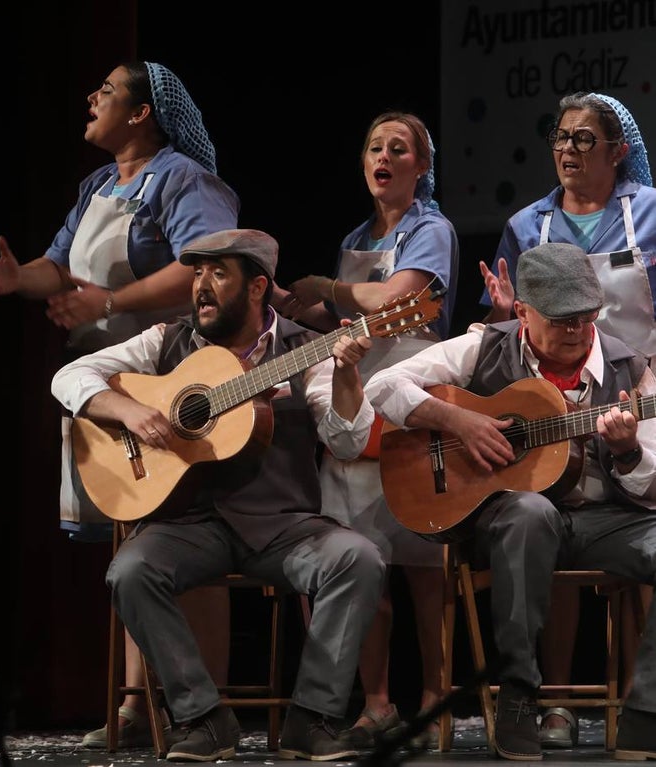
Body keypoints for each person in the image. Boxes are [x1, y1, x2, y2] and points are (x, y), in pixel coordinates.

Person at [0, 60, 240, 748]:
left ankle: (199, 704)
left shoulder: (182, 178)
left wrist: (111, 300)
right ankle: (133, 705)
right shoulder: (96, 186)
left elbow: (206, 263)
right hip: (107, 384)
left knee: (186, 547)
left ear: (143, 112)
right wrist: (20, 277)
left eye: (108, 91)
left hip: (175, 380)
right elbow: (59, 266)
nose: (91, 98)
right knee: (127, 544)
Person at [52, 228, 386, 762]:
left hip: (281, 525)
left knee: (359, 558)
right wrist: (129, 411)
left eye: (218, 273)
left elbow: (345, 439)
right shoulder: (167, 340)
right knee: (129, 572)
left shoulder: (306, 350)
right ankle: (203, 718)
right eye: (198, 273)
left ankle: (312, 717)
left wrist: (348, 375)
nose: (201, 286)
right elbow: (69, 375)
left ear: (257, 288)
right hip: (190, 523)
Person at [365, 241, 656, 761]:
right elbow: (382, 385)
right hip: (510, 521)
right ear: (522, 311)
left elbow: (650, 489)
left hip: (604, 520)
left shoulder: (633, 370)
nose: (576, 331)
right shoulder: (483, 346)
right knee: (529, 512)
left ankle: (647, 714)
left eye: (585, 318)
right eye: (561, 319)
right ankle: (519, 695)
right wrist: (458, 420)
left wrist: (628, 449)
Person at [478, 91, 656, 749]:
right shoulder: (528, 223)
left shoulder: (652, 212)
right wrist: (502, 312)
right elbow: (503, 327)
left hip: (635, 385)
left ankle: (643, 708)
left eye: (584, 139)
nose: (568, 149)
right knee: (540, 519)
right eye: (560, 136)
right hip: (547, 404)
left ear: (618, 151)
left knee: (639, 509)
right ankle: (549, 701)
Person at [278, 111, 458, 750]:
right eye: (374, 147)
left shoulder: (431, 229)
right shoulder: (357, 235)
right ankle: (377, 703)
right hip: (357, 403)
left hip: (412, 402)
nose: (384, 156)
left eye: (399, 148)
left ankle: (435, 696)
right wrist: (288, 303)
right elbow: (341, 316)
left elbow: (395, 298)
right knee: (365, 564)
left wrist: (329, 289)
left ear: (421, 167)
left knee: (423, 564)